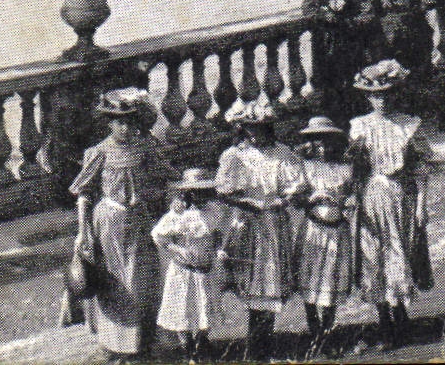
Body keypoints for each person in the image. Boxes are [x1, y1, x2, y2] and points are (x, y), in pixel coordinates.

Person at [72, 87, 176, 362]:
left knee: (142, 282)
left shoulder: (144, 147)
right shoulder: (99, 152)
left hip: (138, 221)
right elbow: (83, 194)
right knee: (114, 284)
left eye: (130, 121)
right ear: (109, 123)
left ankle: (141, 342)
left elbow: (166, 176)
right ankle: (116, 346)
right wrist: (83, 232)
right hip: (108, 223)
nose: (125, 128)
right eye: (119, 122)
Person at [348, 61, 433, 351]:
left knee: (400, 252)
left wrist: (421, 204)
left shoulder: (408, 125)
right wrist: (354, 203)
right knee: (374, 254)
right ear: (367, 98)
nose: (381, 101)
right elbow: (356, 170)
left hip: (400, 196)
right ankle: (385, 320)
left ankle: (401, 316)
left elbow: (421, 169)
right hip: (371, 196)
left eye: (386, 95)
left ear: (394, 95)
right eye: (376, 96)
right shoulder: (359, 127)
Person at [214, 97, 303, 363]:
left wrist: (283, 200)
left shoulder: (282, 154)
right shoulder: (235, 156)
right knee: (251, 281)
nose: (254, 133)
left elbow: (296, 188)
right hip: (247, 224)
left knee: (270, 280)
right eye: (248, 128)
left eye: (259, 128)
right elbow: (223, 191)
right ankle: (255, 346)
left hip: (273, 222)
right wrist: (246, 201)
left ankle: (263, 345)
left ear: (268, 127)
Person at [292, 117, 360, 357]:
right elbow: (296, 201)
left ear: (334, 142)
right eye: (317, 141)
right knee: (311, 279)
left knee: (331, 281)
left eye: (327, 141)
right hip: (314, 228)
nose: (322, 146)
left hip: (337, 229)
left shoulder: (345, 168)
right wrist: (313, 198)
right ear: (311, 143)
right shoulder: (305, 167)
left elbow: (352, 196)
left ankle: (328, 334)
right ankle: (315, 331)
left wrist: (348, 202)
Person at [362, 0, 445, 126]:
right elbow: (361, 4)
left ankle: (427, 114)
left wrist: (424, 4)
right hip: (387, 40)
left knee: (420, 74)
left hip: (415, 35)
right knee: (392, 77)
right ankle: (402, 115)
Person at [151, 168, 226, 363]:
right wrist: (177, 249)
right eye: (194, 191)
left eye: (202, 191)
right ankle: (188, 348)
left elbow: (217, 235)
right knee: (181, 310)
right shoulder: (178, 214)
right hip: (183, 270)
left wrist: (219, 249)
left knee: (206, 308)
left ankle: (201, 342)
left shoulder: (213, 210)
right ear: (187, 193)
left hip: (205, 269)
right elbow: (158, 235)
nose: (198, 195)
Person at [300, 0, 382, 122]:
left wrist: (349, 23)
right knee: (329, 86)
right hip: (327, 48)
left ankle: (354, 121)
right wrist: (324, 15)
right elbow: (307, 7)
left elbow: (369, 15)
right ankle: (335, 121)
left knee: (353, 85)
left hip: (352, 47)